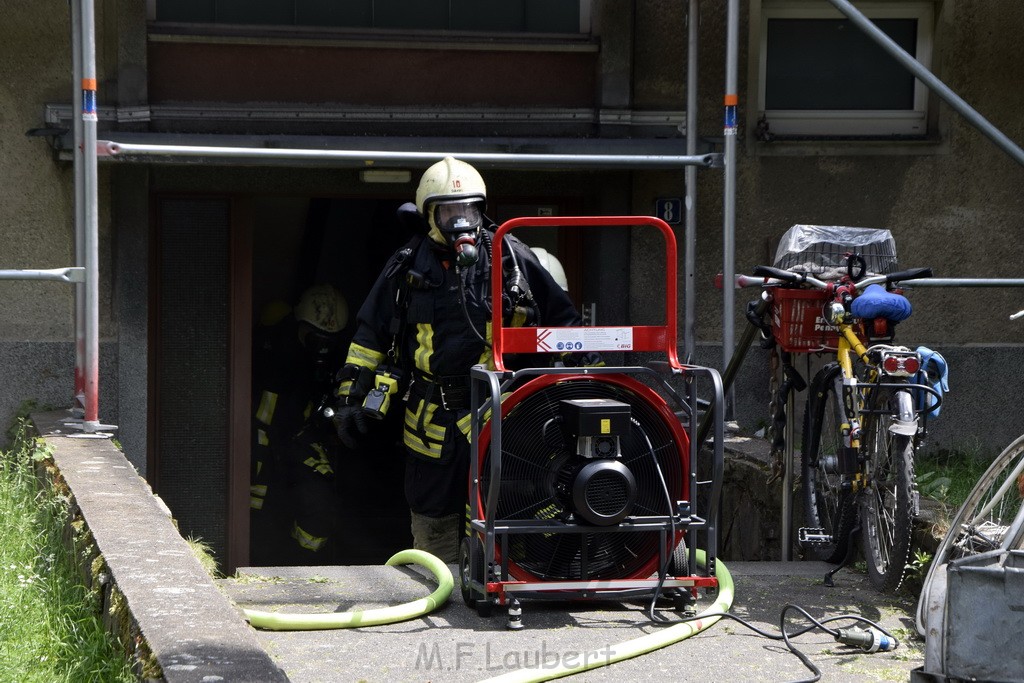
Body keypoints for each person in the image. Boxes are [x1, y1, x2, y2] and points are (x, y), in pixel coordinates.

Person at [331, 157, 593, 563]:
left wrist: (583, 383)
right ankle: (435, 587)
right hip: (428, 415)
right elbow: (370, 335)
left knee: (500, 501)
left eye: (468, 210)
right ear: (428, 214)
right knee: (431, 513)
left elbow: (565, 325)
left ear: (482, 209)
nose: (461, 221)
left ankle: (497, 580)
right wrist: (351, 395)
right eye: (449, 211)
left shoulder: (511, 257)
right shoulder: (405, 265)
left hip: (499, 410)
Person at [250, 283, 350, 564]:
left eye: (328, 342)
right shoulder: (270, 341)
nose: (321, 349)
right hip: (255, 435)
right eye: (314, 339)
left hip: (297, 437)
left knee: (320, 503)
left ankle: (301, 566)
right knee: (257, 509)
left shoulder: (326, 364)